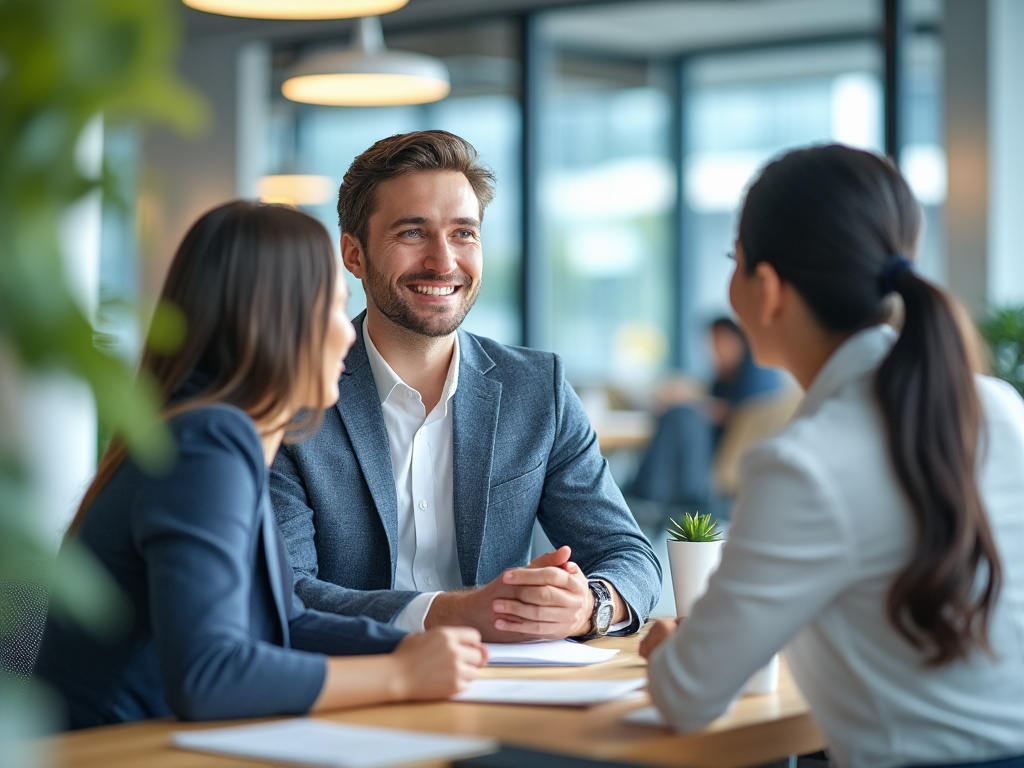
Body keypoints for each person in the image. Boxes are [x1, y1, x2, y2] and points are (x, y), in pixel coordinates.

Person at [639, 144, 1024, 768]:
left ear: (765, 289)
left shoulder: (802, 465)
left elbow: (686, 695)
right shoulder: (999, 408)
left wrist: (672, 652)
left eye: (732, 262)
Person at [33, 201, 486, 730]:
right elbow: (210, 676)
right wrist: (403, 675)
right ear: (277, 319)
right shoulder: (206, 443)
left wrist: (426, 649)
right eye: (331, 310)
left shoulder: (214, 435)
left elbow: (285, 623)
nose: (346, 333)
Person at [270, 130, 661, 643]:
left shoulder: (536, 389)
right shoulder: (293, 395)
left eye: (463, 233)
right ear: (354, 254)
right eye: (412, 233)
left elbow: (629, 554)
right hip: (352, 688)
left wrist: (590, 605)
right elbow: (287, 591)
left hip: (507, 687)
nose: (443, 261)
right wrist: (457, 613)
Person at [628, 316, 782, 511]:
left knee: (683, 415)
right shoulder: (727, 374)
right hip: (719, 452)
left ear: (736, 340)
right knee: (680, 416)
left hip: (733, 456)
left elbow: (740, 413)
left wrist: (693, 402)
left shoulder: (758, 371)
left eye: (719, 342)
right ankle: (650, 494)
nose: (714, 351)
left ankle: (647, 494)